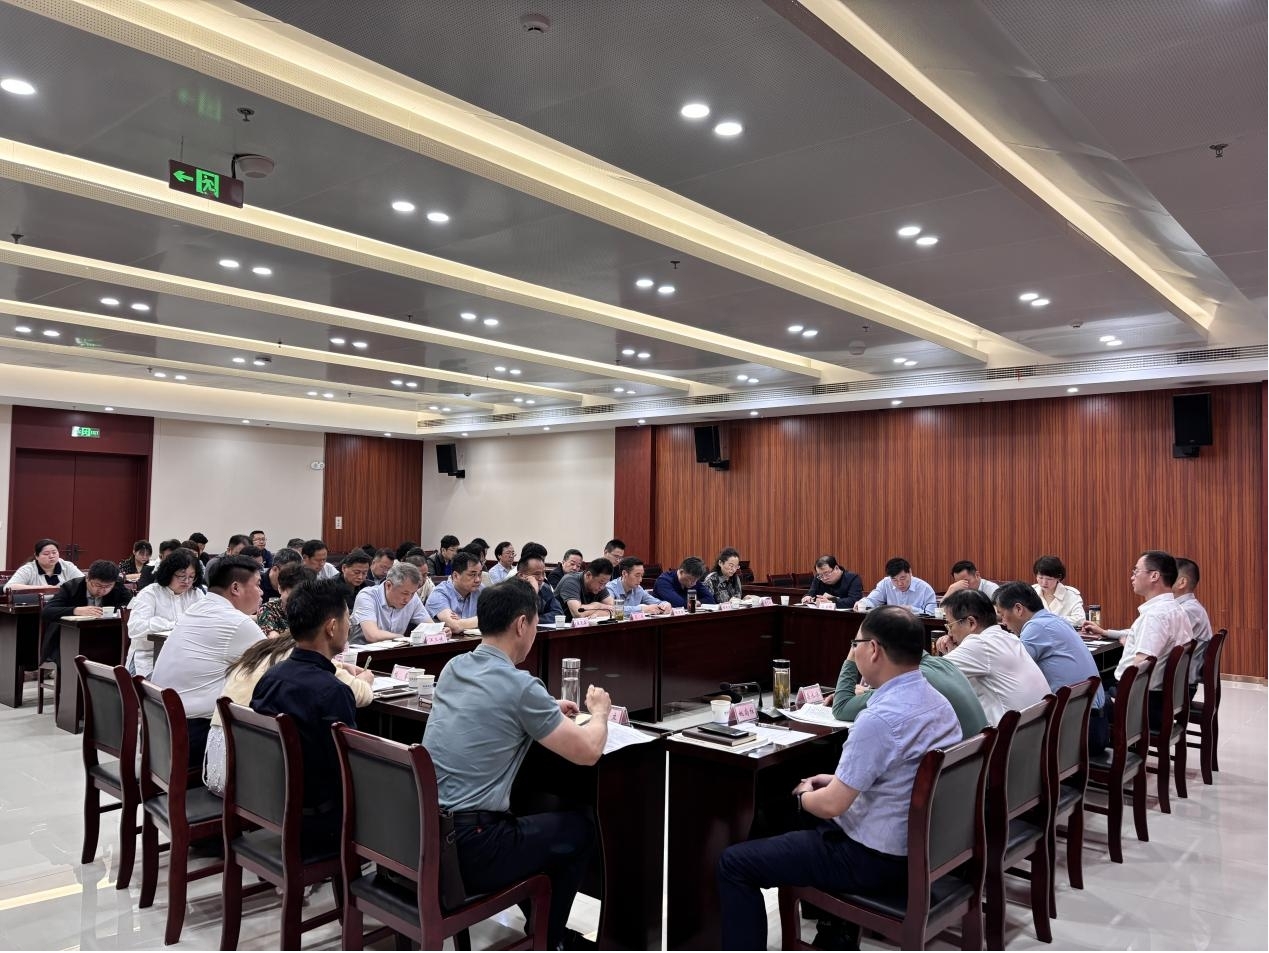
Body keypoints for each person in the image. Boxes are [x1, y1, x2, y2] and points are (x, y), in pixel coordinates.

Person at [717, 607, 962, 950]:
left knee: (734, 863)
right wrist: (837, 779)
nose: (854, 650)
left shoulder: (879, 718)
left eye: (855, 644)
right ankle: (834, 932)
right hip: (923, 846)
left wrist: (804, 795)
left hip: (873, 859)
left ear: (873, 650)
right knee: (789, 820)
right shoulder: (937, 702)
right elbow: (900, 772)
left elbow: (831, 806)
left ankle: (830, 926)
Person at [424, 579, 611, 950]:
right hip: (471, 849)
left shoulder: (455, 666)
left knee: (534, 809)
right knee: (581, 829)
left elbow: (488, 705)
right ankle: (550, 940)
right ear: (522, 624)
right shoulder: (521, 686)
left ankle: (541, 925)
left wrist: (545, 707)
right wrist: (601, 713)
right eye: (537, 624)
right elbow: (589, 751)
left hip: (426, 833)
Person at [249, 578, 366, 850]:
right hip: (316, 820)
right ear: (332, 627)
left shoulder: (271, 677)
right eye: (347, 619)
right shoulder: (332, 691)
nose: (349, 626)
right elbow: (347, 770)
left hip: (271, 802)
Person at [150, 555, 264, 768]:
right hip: (190, 736)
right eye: (258, 584)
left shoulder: (197, 608)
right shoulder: (236, 622)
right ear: (236, 588)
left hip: (158, 730)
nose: (261, 592)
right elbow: (276, 668)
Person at [992, 581, 1108, 754]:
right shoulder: (1055, 620)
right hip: (1094, 723)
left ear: (1018, 609)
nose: (1003, 622)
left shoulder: (1036, 628)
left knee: (1003, 743)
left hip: (1079, 732)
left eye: (1002, 614)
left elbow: (1008, 671)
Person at [1082, 550, 1192, 729]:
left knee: (1075, 700)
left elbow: (1140, 667)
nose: (1132, 577)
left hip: (1140, 703)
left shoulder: (1155, 616)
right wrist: (1131, 643)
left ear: (1154, 576)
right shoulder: (1176, 609)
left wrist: (1118, 699)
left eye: (1136, 571)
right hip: (1160, 697)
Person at [829, 627, 988, 738]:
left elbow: (842, 707)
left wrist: (853, 652)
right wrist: (867, 692)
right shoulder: (943, 664)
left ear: (874, 648)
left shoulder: (913, 680)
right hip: (970, 767)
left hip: (950, 773)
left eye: (857, 644)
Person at [934, 589, 1051, 725]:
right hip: (1034, 729)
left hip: (1008, 734)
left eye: (950, 625)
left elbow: (931, 674)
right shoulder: (1008, 637)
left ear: (971, 623)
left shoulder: (981, 644)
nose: (949, 633)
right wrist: (954, 651)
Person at [126, 549, 204, 677]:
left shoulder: (196, 594)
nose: (187, 581)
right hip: (148, 658)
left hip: (184, 658)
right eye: (181, 576)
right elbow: (135, 628)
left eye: (191, 577)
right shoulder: (150, 593)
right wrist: (172, 624)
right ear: (168, 573)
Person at [40, 560, 132, 664]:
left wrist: (114, 611)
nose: (102, 590)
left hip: (106, 635)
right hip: (72, 637)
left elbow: (130, 605)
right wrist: (75, 610)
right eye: (98, 585)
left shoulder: (117, 585)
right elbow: (47, 611)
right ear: (87, 578)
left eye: (108, 586)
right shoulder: (71, 587)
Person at [352, 562, 441, 643]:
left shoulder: (412, 598)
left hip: (395, 651)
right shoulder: (367, 596)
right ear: (388, 585)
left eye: (413, 593)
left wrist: (440, 632)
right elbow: (372, 635)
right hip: (362, 652)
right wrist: (401, 638)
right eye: (404, 593)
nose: (408, 599)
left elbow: (430, 626)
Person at [1173, 557, 1214, 697]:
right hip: (1179, 682)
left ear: (1182, 582)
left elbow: (1159, 640)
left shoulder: (1187, 610)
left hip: (1179, 688)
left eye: (1168, 576)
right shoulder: (1186, 607)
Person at [425, 551, 483, 634]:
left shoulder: (481, 590)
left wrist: (462, 621)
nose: (478, 580)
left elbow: (497, 618)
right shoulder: (439, 594)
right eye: (472, 575)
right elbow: (455, 626)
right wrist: (483, 619)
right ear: (455, 576)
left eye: (480, 574)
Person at [855, 557, 938, 614]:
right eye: (894, 580)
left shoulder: (925, 588)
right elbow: (872, 600)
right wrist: (862, 603)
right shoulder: (885, 583)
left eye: (902, 578)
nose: (899, 583)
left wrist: (911, 610)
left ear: (910, 572)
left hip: (917, 627)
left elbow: (932, 614)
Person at [256, 564, 316, 637]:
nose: (297, 599)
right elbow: (274, 638)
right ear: (280, 588)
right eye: (293, 594)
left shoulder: (314, 609)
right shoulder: (268, 609)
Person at [4, 539, 83, 590]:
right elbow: (8, 587)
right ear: (36, 556)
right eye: (46, 554)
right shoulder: (28, 569)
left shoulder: (67, 566)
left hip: (63, 604)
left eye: (54, 552)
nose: (51, 556)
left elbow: (83, 582)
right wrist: (42, 588)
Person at [1032, 555, 1085, 626]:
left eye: (1049, 579)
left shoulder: (1071, 595)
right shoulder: (1031, 592)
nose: (1044, 582)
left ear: (1058, 577)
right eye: (1040, 578)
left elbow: (1080, 620)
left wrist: (1051, 619)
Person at [607, 557, 672, 614]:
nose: (640, 580)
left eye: (642, 576)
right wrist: (642, 609)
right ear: (624, 573)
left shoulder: (638, 589)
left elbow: (656, 602)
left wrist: (665, 604)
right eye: (637, 576)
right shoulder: (610, 588)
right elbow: (611, 609)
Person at [516, 553, 565, 623]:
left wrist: (536, 620)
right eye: (537, 574)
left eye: (543, 573)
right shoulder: (509, 591)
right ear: (521, 576)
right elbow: (519, 619)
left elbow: (558, 613)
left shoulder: (544, 588)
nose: (541, 578)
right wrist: (534, 592)